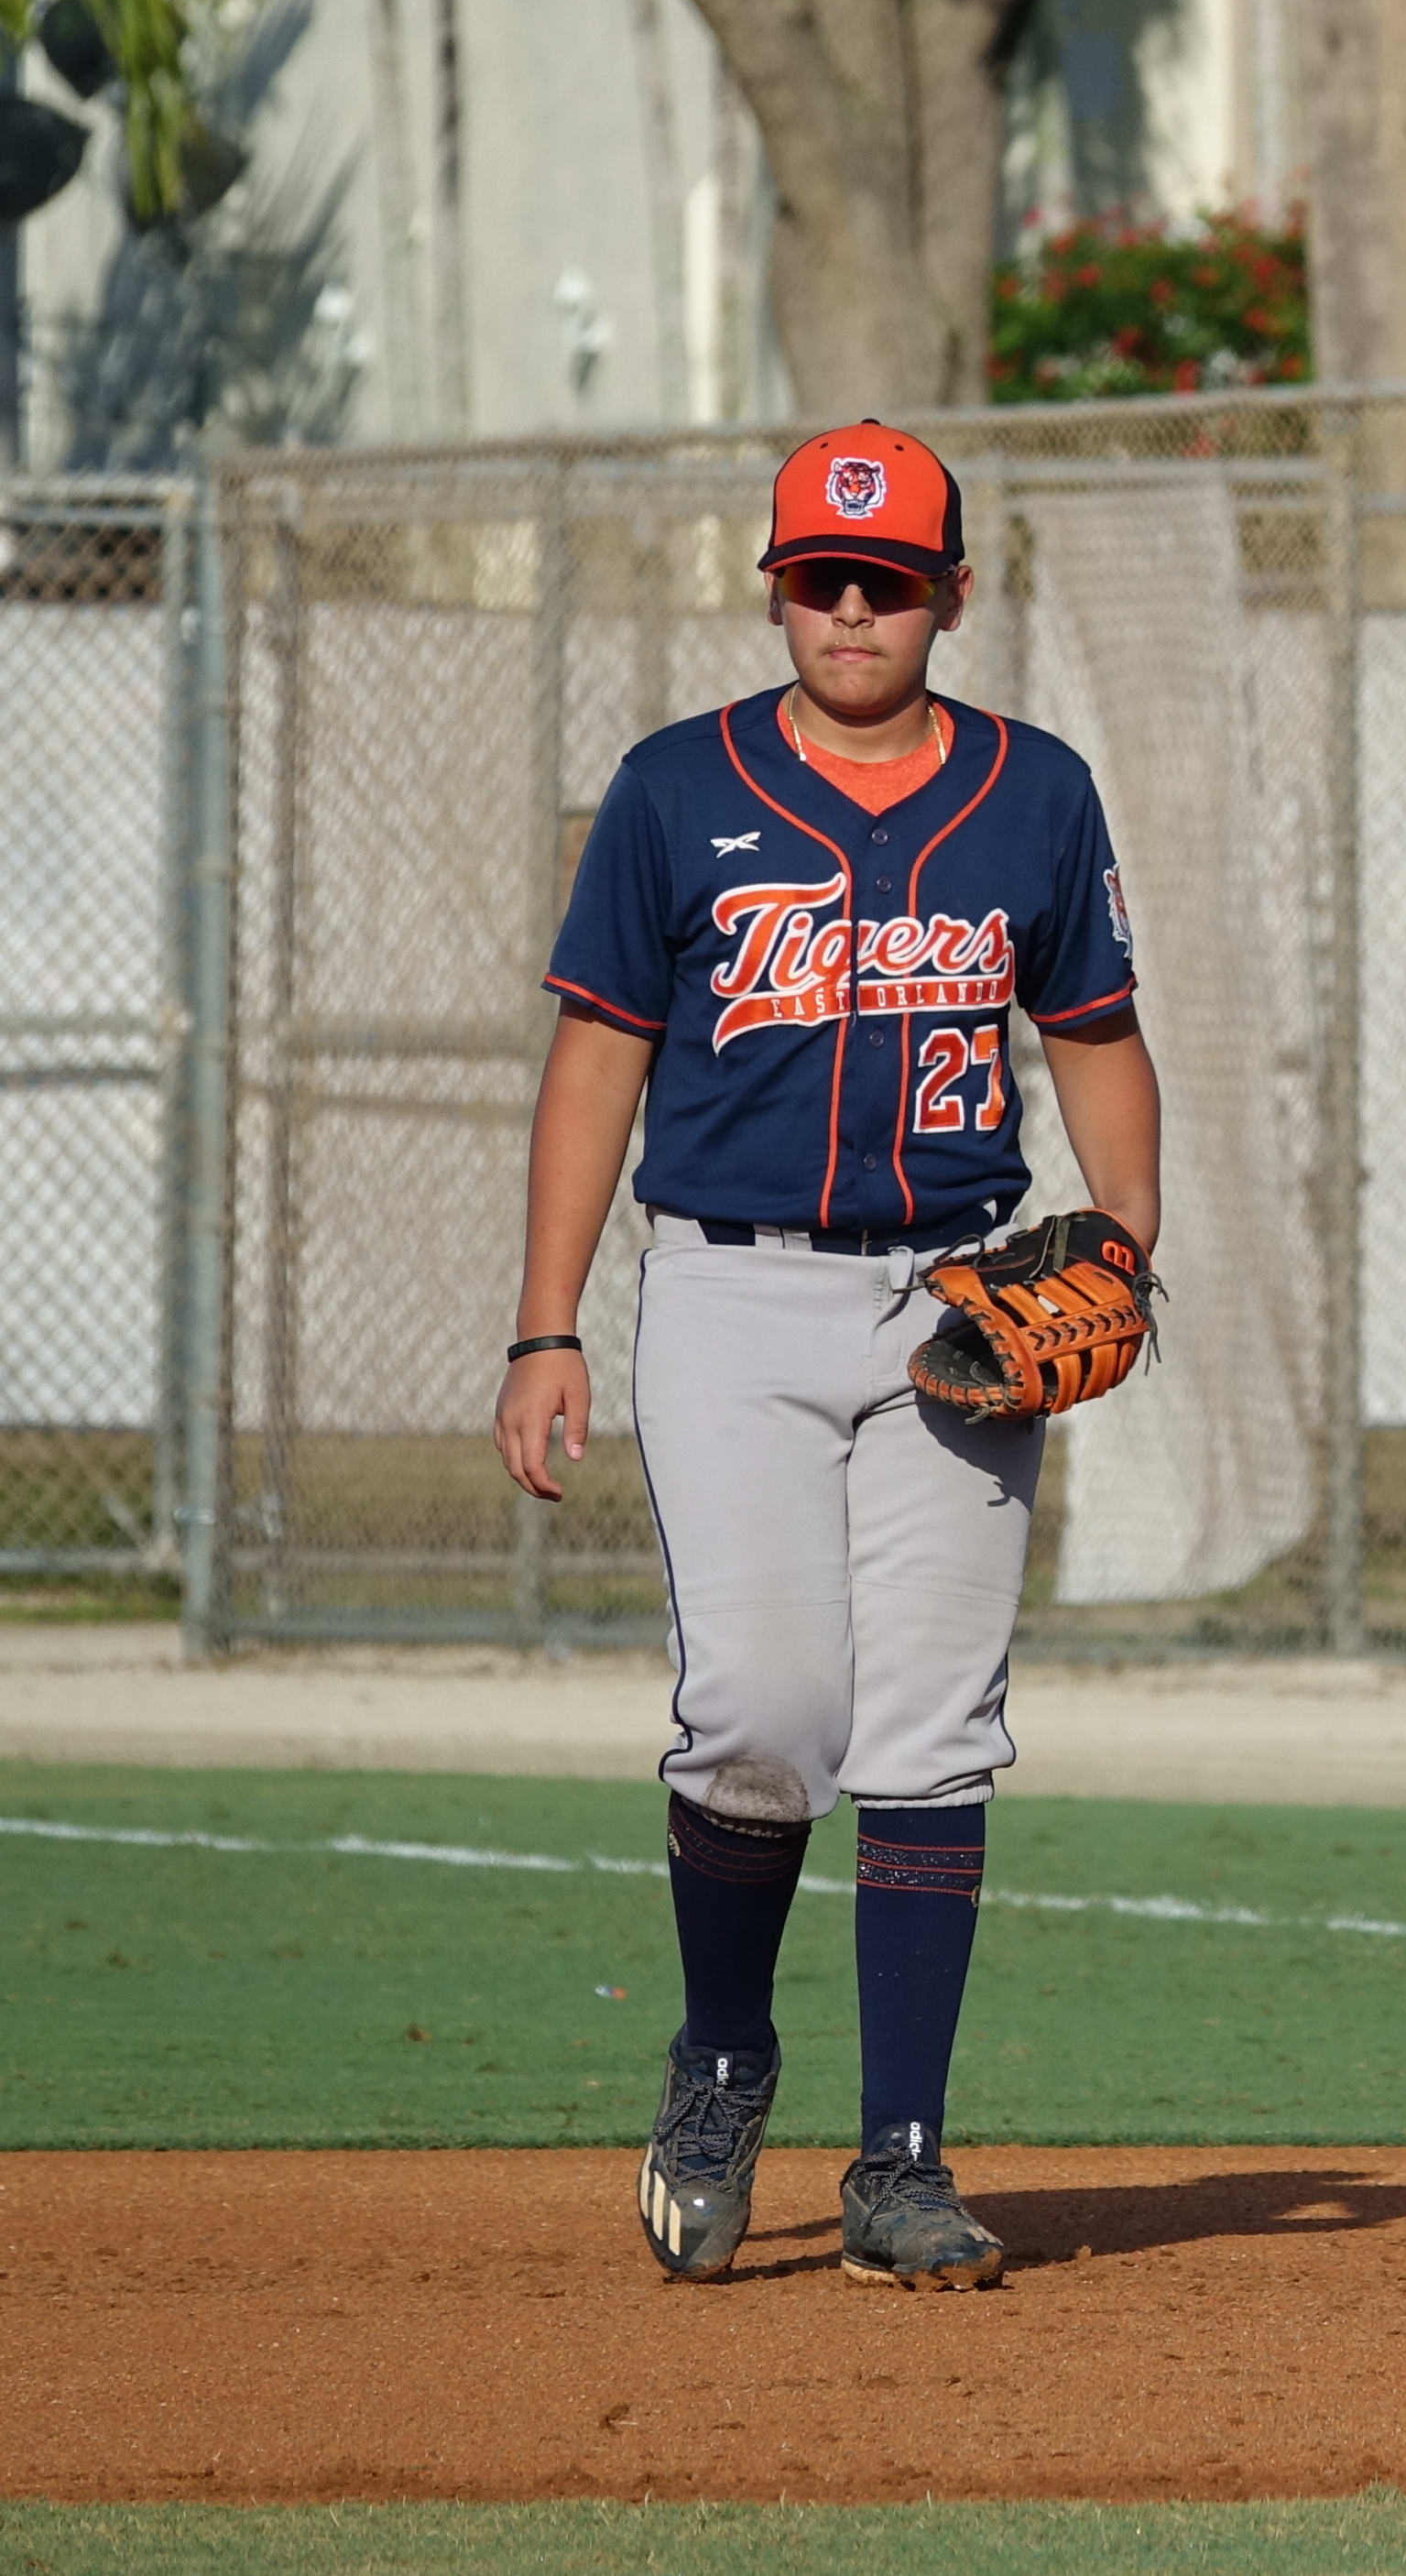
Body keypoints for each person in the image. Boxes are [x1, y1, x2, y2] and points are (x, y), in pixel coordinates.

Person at [491, 420, 1161, 2290]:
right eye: (820, 577)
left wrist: (1122, 1250)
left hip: (960, 1304)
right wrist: (547, 1324)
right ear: (777, 585)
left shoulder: (1036, 797)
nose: (853, 606)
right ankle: (719, 2054)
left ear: (952, 592)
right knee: (767, 1716)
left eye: (888, 578)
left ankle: (906, 2159)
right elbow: (598, 1062)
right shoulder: (672, 790)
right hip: (735, 1295)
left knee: (934, 1731)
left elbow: (1096, 1033)